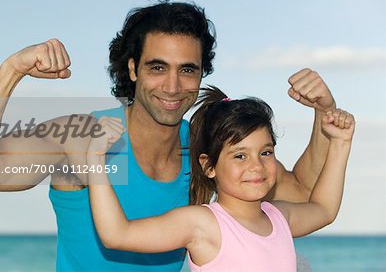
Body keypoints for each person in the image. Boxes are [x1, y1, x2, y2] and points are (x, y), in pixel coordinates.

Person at [0, 0, 337, 271]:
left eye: (187, 70)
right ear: (132, 69)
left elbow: (301, 195)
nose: (172, 86)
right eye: (157, 67)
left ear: (201, 75)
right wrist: (12, 70)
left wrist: (324, 114)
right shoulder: (84, 136)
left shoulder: (204, 146)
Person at [87, 86, 355, 272]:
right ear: (209, 166)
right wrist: (95, 159)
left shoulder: (278, 217)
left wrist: (340, 144)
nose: (256, 165)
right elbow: (116, 234)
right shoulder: (203, 223)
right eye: (240, 156)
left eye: (265, 152)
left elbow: (324, 209)